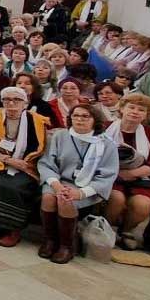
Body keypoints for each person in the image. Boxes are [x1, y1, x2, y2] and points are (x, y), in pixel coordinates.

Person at [37, 105, 117, 263]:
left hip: (88, 187)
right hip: (59, 181)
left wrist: (80, 193)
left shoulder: (106, 144)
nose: (79, 119)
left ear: (95, 120)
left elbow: (107, 176)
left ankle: (67, 246)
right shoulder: (60, 136)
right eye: (76, 116)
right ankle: (49, 240)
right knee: (48, 198)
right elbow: (46, 164)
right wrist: (57, 185)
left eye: (85, 116)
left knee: (65, 201)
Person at [0, 87, 49, 247]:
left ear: (25, 103)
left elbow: (41, 149)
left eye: (17, 100)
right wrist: (7, 159)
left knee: (19, 186)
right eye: (7, 99)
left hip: (26, 166)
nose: (11, 103)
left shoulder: (37, 121)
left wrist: (22, 163)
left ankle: (13, 229)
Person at [104, 94, 150, 236]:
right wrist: (116, 173)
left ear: (147, 115)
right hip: (110, 175)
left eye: (141, 110)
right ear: (122, 109)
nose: (135, 112)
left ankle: (126, 232)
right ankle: (105, 230)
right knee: (116, 198)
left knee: (143, 204)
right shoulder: (105, 127)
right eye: (131, 107)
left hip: (141, 178)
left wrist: (131, 174)